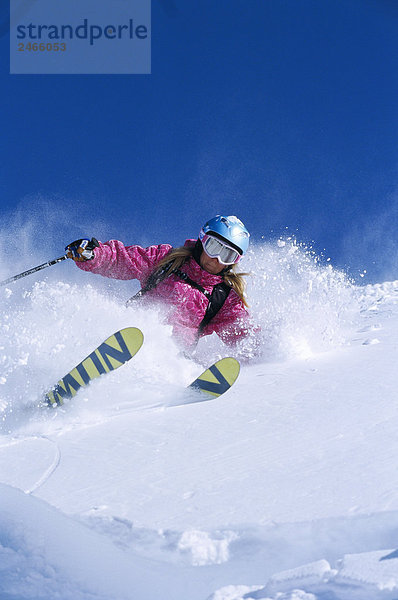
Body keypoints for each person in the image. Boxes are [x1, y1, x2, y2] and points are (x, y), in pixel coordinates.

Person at [65, 215, 260, 356]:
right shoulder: (166, 260)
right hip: (127, 334)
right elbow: (122, 260)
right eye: (214, 247)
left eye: (227, 255)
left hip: (171, 357)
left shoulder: (224, 297)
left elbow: (242, 334)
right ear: (202, 241)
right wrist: (95, 254)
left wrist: (271, 354)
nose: (216, 259)